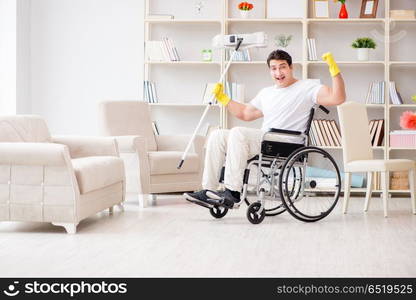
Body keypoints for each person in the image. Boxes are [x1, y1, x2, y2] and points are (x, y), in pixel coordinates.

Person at [184, 49, 346, 208]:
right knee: (217, 135)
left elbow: (337, 98)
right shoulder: (267, 93)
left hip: (288, 142)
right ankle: (208, 190)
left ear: (291, 68)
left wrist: (334, 71)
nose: (278, 72)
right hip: (266, 140)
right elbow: (245, 113)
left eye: (282, 67)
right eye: (274, 68)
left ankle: (232, 192)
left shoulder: (308, 87)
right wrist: (224, 99)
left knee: (238, 132)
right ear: (270, 71)